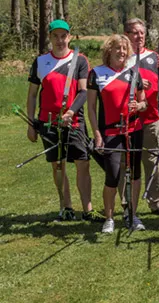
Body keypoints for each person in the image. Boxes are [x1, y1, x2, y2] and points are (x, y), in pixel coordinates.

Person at [26, 19, 104, 222]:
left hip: (74, 121)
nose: (60, 40)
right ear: (50, 38)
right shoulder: (41, 62)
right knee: (58, 165)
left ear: (69, 37)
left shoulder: (80, 60)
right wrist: (31, 124)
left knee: (83, 163)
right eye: (55, 36)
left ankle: (88, 209)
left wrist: (71, 112)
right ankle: (66, 207)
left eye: (63, 36)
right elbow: (33, 95)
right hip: (48, 122)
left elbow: (84, 91)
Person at [87, 34, 147, 233]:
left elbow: (144, 102)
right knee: (112, 175)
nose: (121, 52)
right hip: (110, 132)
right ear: (109, 50)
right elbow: (92, 109)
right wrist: (97, 133)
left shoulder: (134, 73)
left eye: (124, 48)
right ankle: (110, 218)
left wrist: (138, 105)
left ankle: (132, 214)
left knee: (135, 174)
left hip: (133, 130)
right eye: (117, 48)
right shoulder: (96, 73)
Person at [124, 18, 159, 217]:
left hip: (151, 117)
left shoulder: (154, 57)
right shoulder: (120, 57)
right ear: (127, 35)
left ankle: (157, 202)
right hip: (127, 119)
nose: (139, 36)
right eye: (135, 33)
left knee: (153, 160)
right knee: (127, 162)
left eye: (142, 33)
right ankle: (127, 202)